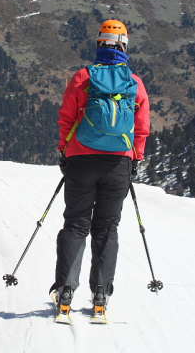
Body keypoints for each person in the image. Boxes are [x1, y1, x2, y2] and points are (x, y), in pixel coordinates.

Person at [51, 20, 150, 319]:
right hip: (118, 163)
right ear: (124, 47)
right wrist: (135, 159)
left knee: (76, 224)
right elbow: (142, 128)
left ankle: (65, 291)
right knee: (107, 228)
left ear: (99, 45)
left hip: (81, 160)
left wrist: (64, 152)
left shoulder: (83, 77)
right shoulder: (135, 82)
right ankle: (101, 295)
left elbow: (67, 119)